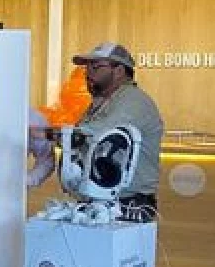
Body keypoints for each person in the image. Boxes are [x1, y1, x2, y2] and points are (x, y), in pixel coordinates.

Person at [69, 42, 164, 220]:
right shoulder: (104, 102)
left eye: (96, 67)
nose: (88, 73)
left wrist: (47, 134)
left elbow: (92, 134)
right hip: (104, 202)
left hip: (127, 205)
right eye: (86, 68)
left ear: (119, 70)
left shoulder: (133, 101)